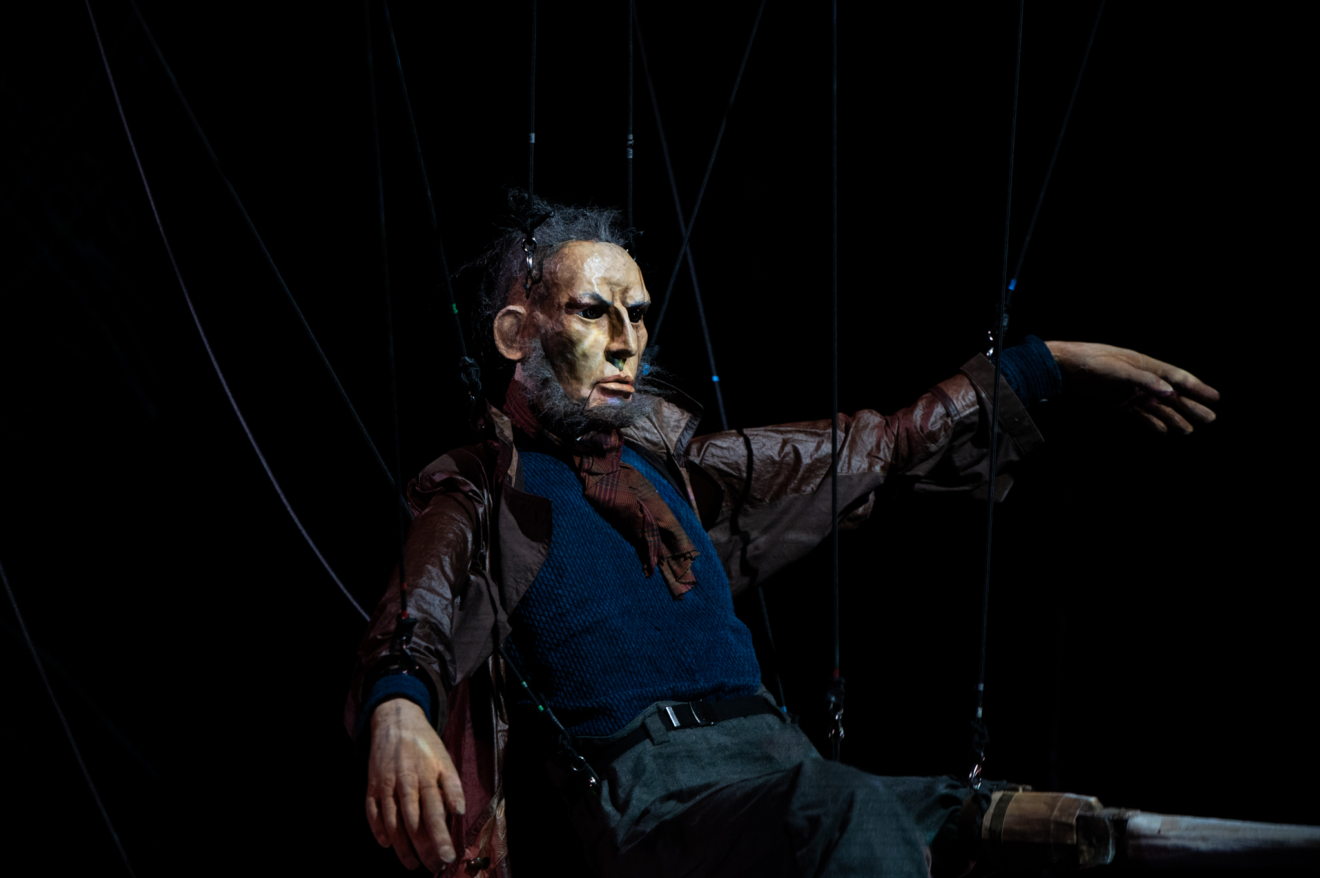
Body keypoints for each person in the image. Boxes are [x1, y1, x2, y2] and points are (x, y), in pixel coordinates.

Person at [344, 198, 1219, 877]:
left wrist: (1037, 365)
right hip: (654, 791)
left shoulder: (676, 470)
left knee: (1033, 826)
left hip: (773, 759)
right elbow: (421, 605)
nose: (626, 343)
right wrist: (397, 706)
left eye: (639, 316)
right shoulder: (481, 483)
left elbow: (876, 447)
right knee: (846, 811)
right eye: (592, 313)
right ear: (516, 334)